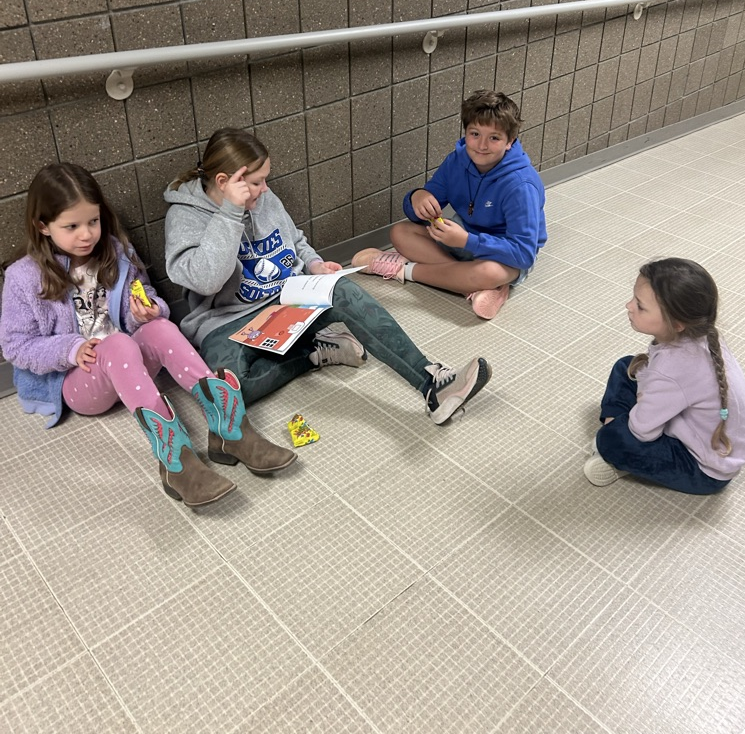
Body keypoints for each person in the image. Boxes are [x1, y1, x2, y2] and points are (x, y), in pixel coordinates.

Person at [0, 163, 297, 511]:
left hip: (130, 365)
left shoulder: (114, 251)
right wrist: (70, 348)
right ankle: (177, 462)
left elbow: (146, 295)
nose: (86, 234)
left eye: (93, 221)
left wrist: (148, 310)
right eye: (72, 226)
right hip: (79, 380)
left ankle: (231, 430)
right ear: (43, 226)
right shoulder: (24, 277)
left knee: (160, 328)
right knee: (120, 343)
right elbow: (15, 345)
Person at [163, 128, 491, 425]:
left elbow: (295, 240)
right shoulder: (184, 216)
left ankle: (431, 382)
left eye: (265, 179)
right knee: (228, 392)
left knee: (343, 290)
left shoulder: (264, 197)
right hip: (225, 321)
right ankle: (314, 353)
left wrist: (315, 265)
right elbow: (206, 281)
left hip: (285, 295)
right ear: (224, 182)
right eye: (256, 182)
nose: (265, 189)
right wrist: (231, 213)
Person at [352, 90, 547, 320]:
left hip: (502, 254)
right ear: (466, 132)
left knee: (489, 272)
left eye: (494, 138)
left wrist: (467, 241)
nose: (482, 145)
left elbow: (524, 254)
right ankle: (475, 287)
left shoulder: (520, 185)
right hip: (461, 236)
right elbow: (423, 207)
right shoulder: (457, 160)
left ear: (509, 142)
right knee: (400, 232)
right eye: (475, 134)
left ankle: (402, 270)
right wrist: (417, 197)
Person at [584, 258, 745, 494]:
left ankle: (614, 453)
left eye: (640, 306)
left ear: (677, 323)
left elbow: (643, 430)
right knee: (626, 366)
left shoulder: (675, 368)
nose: (628, 306)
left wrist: (624, 424)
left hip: (703, 470)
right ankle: (618, 439)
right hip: (702, 430)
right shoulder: (705, 336)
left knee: (611, 440)